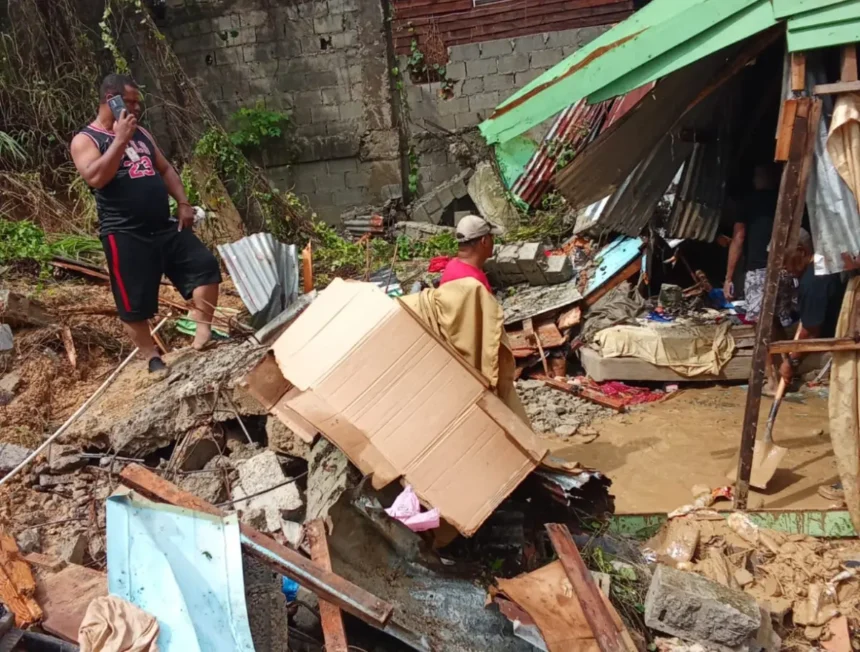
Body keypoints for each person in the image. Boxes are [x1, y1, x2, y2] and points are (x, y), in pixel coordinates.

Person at [70, 73, 222, 374]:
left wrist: (182, 202)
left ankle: (203, 330)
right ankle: (152, 357)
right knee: (133, 302)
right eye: (130, 102)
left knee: (204, 267)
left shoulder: (143, 134)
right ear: (110, 99)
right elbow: (96, 178)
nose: (137, 109)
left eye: (138, 103)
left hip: (163, 224)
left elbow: (165, 169)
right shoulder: (85, 140)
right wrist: (120, 140)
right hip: (124, 232)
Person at [724, 164, 795, 327]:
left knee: (760, 324)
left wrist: (729, 278)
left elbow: (739, 237)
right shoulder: (786, 201)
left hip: (759, 272)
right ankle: (783, 352)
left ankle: (767, 353)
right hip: (786, 270)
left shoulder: (748, 202)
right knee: (782, 322)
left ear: (757, 178)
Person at [440, 215, 501, 293]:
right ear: (484, 241)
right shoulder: (476, 283)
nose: (493, 242)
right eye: (491, 237)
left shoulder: (452, 265)